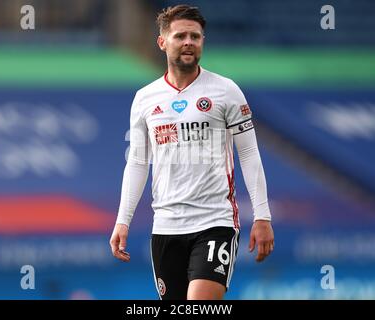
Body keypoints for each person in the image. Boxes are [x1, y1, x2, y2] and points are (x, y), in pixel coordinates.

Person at [109, 4, 274, 300]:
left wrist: (262, 216)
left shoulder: (226, 91)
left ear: (202, 42)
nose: (189, 42)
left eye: (195, 37)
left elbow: (249, 155)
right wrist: (123, 220)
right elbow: (137, 162)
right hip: (166, 225)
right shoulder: (145, 98)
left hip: (215, 222)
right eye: (181, 36)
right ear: (162, 42)